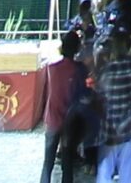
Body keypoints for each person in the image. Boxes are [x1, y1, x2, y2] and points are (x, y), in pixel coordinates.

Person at [93, 30, 131, 183]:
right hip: (128, 129)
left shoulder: (105, 71)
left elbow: (98, 96)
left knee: (104, 172)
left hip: (108, 131)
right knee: (126, 171)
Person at [39, 30, 91, 183]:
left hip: (52, 118)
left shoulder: (51, 68)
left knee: (47, 163)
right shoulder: (80, 69)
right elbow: (85, 95)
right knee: (67, 163)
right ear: (77, 48)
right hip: (70, 122)